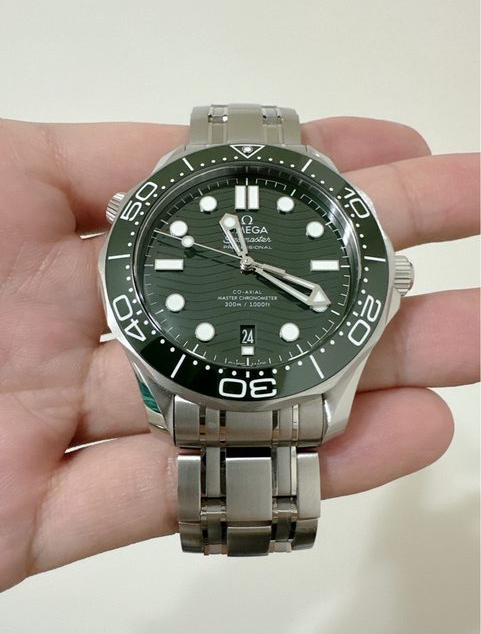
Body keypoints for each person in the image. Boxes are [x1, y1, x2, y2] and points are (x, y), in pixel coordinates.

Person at [0, 116, 478, 592]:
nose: (247, 266)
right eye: (245, 263)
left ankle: (250, 522)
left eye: (248, 263)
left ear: (392, 276)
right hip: (213, 381)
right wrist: (246, 262)